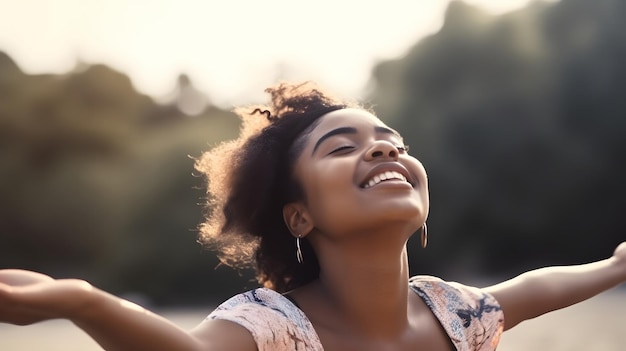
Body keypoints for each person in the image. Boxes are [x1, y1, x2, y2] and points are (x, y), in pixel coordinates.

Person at [0, 81, 624, 351]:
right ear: (299, 217)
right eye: (341, 147)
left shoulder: (455, 312)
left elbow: (532, 289)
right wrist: (80, 301)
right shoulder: (272, 328)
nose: (384, 149)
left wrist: (616, 265)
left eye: (393, 142)